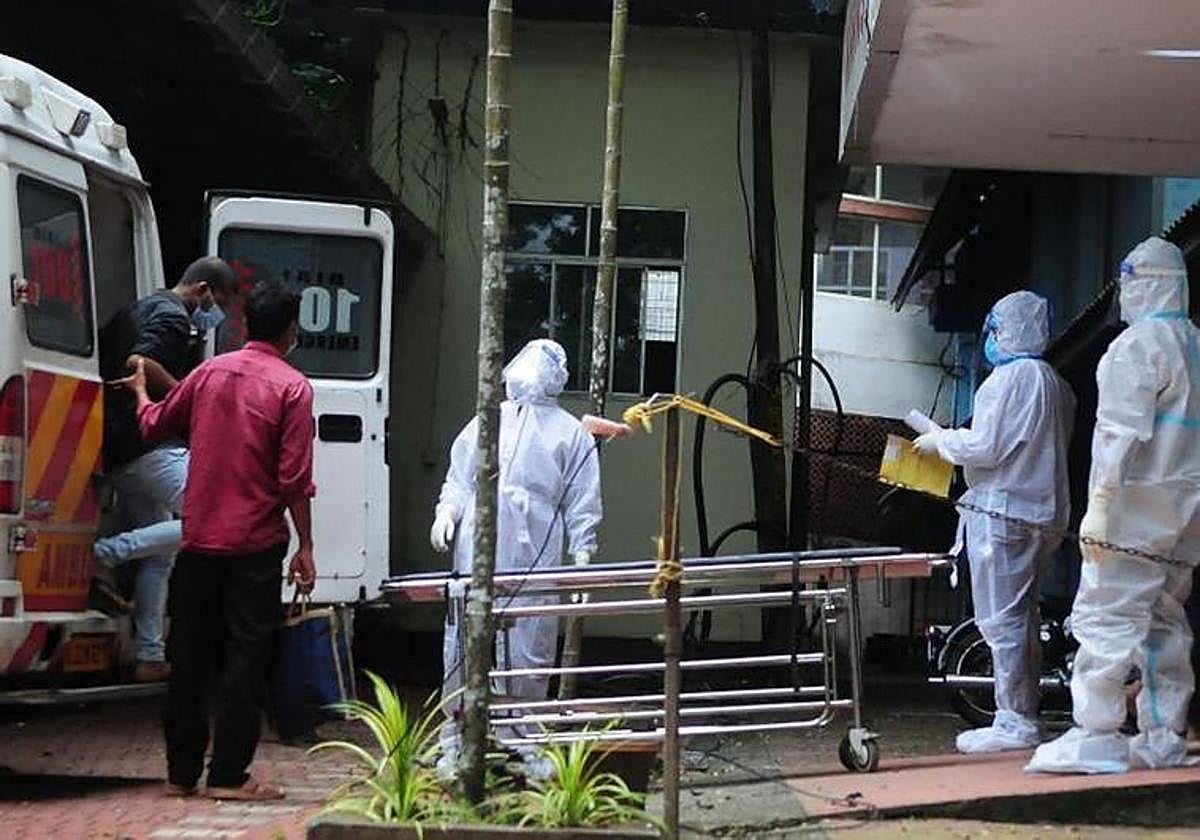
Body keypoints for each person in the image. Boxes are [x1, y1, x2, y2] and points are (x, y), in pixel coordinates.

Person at [120, 278, 317, 800]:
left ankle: (181, 773)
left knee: (189, 656)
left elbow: (156, 424)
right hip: (255, 545)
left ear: (245, 323)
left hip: (200, 541)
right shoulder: (293, 388)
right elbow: (294, 480)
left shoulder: (209, 372)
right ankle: (229, 774)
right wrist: (307, 546)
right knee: (246, 657)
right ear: (291, 331)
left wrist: (141, 392)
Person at [1028, 236, 1200, 774]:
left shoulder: (1137, 347)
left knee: (1107, 614)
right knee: (1164, 620)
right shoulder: (1194, 343)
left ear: (1146, 283)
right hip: (1186, 512)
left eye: (1129, 281)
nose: (1123, 293)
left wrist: (1100, 504)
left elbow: (1119, 435)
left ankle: (1096, 734)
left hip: (1136, 505)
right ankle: (1163, 735)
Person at [430, 339, 602, 780]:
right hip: (480, 536)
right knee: (467, 634)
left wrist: (584, 552)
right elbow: (459, 476)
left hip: (536, 544)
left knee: (532, 639)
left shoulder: (570, 433)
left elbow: (583, 501)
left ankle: (522, 737)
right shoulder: (489, 421)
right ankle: (457, 735)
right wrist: (447, 512)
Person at [913, 290, 1076, 753]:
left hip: (1003, 514)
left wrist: (941, 440)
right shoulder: (1056, 385)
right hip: (1040, 515)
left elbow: (986, 447)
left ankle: (1014, 721)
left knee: (1001, 620)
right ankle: (1022, 713)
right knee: (1022, 619)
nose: (989, 339)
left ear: (1011, 330)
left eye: (994, 330)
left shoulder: (1009, 381)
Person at [93, 257, 236, 681]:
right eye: (220, 301)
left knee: (161, 555)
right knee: (211, 514)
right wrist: (190, 400)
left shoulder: (134, 308)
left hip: (118, 445)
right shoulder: (174, 317)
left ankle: (150, 655)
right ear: (203, 289)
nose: (218, 312)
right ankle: (105, 554)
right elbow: (141, 363)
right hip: (148, 445)